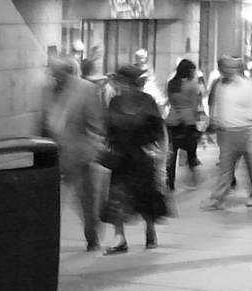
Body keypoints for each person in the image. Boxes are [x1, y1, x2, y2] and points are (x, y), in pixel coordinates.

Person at [99, 64, 168, 254]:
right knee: (118, 197)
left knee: (144, 196)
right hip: (124, 157)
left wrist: (155, 148)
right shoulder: (117, 102)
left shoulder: (144, 101)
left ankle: (149, 231)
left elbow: (156, 129)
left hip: (139, 156)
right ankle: (121, 238)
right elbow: (108, 128)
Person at [43, 54, 106, 251]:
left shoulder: (85, 89)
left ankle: (91, 235)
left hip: (78, 154)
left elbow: (96, 122)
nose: (55, 77)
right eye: (53, 73)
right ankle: (47, 239)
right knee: (50, 203)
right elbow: (42, 120)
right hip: (52, 154)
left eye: (58, 73)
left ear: (67, 72)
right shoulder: (46, 90)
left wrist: (94, 148)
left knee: (85, 200)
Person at [202, 56, 252, 210]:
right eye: (223, 67)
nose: (225, 70)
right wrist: (214, 123)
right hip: (226, 133)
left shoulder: (246, 86)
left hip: (246, 132)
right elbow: (216, 106)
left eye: (228, 67)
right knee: (225, 168)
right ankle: (218, 198)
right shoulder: (220, 86)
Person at [164, 59, 205, 191]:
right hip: (188, 121)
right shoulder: (191, 86)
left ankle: (170, 183)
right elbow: (194, 105)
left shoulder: (171, 84)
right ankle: (195, 181)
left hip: (172, 120)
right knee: (191, 152)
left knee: (172, 154)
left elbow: (170, 101)